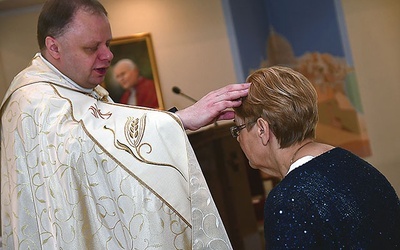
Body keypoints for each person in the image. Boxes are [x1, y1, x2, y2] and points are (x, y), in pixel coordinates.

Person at [0, 0, 250, 249]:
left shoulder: (79, 90)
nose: (108, 55)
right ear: (54, 47)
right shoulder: (33, 102)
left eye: (107, 44)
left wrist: (177, 120)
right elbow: (87, 145)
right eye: (91, 48)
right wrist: (179, 120)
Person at [231, 66, 400, 249]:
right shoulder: (357, 166)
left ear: (262, 130)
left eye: (237, 129)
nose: (238, 138)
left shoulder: (289, 201)